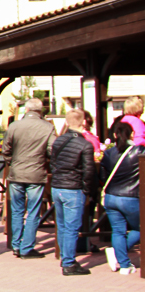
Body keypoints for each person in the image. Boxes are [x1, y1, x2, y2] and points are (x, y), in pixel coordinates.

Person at [0, 98, 56, 259]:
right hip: (36, 173)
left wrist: (13, 162)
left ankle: (16, 245)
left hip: (17, 173)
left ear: (27, 110)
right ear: (40, 111)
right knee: (33, 211)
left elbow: (6, 150)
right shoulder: (48, 127)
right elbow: (52, 150)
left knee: (17, 210)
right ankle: (27, 247)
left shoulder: (14, 126)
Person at [50, 109, 95, 276]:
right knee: (71, 228)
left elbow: (53, 163)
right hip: (73, 188)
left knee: (62, 225)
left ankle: (65, 257)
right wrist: (86, 190)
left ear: (67, 122)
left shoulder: (58, 141)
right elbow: (89, 171)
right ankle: (68, 263)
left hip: (57, 186)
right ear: (83, 122)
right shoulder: (85, 144)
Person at [101, 122, 142, 275]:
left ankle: (124, 265)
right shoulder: (139, 151)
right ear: (132, 134)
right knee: (140, 228)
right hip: (131, 197)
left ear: (114, 135)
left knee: (118, 231)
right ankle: (118, 255)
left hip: (111, 196)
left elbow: (102, 176)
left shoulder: (108, 153)